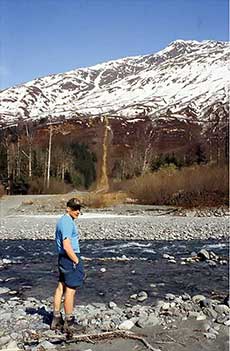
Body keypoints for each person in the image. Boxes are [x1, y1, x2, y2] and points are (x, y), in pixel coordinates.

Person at [51, 198, 85, 333]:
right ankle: (69, 322)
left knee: (61, 286)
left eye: (79, 209)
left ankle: (56, 319)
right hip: (69, 258)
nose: (77, 211)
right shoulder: (67, 222)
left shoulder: (62, 220)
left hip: (63, 258)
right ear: (68, 208)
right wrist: (76, 260)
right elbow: (66, 245)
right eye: (75, 208)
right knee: (70, 290)